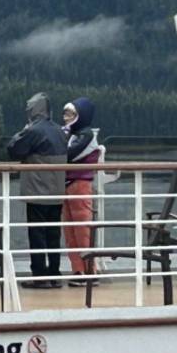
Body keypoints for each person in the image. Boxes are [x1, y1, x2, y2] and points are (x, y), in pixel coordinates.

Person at [7, 92, 67, 288]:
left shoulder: (33, 131)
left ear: (33, 110)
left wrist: (22, 131)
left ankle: (40, 276)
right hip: (57, 192)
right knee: (53, 234)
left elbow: (13, 150)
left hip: (37, 190)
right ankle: (55, 275)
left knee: (37, 234)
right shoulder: (60, 131)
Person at [61, 97, 103, 286]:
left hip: (80, 184)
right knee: (70, 231)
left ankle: (89, 270)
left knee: (83, 229)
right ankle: (78, 269)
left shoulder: (86, 134)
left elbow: (69, 154)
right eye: (65, 113)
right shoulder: (72, 133)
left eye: (70, 114)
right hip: (68, 183)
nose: (66, 117)